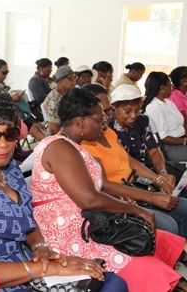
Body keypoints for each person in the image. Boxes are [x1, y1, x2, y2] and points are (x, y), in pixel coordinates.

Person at [0, 89, 128, 292]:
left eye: (11, 134)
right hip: (4, 280)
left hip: (32, 264)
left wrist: (40, 248)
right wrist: (50, 269)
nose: (3, 145)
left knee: (113, 282)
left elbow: (28, 223)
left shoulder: (10, 168)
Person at [30, 88, 187, 292]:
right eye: (99, 119)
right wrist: (137, 210)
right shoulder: (60, 148)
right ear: (80, 121)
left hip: (88, 224)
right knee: (144, 262)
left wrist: (129, 203)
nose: (104, 124)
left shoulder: (75, 147)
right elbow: (90, 199)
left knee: (158, 239)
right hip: (69, 236)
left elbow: (101, 185)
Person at [81, 84, 187, 239]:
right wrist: (150, 197)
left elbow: (129, 160)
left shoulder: (107, 132)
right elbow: (104, 185)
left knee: (184, 207)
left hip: (139, 187)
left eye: (107, 111)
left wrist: (159, 179)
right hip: (122, 197)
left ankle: (178, 256)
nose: (106, 117)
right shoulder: (85, 143)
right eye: (101, 112)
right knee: (168, 224)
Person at [107, 84, 176, 182]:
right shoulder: (109, 127)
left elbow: (154, 151)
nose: (133, 115)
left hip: (151, 172)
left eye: (137, 110)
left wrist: (162, 171)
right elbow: (127, 161)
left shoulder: (142, 120)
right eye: (127, 111)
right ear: (114, 108)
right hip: (129, 177)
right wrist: (157, 179)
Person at [143, 71, 187, 161]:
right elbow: (163, 137)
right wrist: (184, 141)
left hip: (180, 140)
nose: (172, 87)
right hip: (169, 147)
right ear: (162, 88)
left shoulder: (168, 103)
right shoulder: (154, 107)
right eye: (170, 85)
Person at [42, 66, 77, 134]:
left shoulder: (69, 94)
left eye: (75, 77)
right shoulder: (54, 100)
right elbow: (54, 130)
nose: (74, 80)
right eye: (70, 78)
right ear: (60, 81)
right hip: (60, 138)